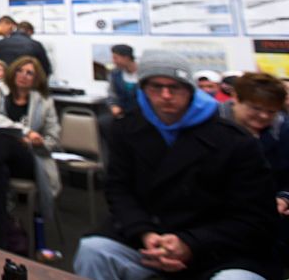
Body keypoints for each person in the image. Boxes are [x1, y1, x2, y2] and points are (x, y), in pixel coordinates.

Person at [74, 51, 279, 280]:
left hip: (217, 247)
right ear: (143, 90)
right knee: (94, 251)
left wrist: (191, 243)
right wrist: (144, 232)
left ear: (190, 90)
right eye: (156, 87)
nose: (166, 95)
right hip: (151, 237)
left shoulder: (234, 141)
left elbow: (255, 216)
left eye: (175, 87)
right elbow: (119, 189)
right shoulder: (126, 130)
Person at [0, 57, 61, 251]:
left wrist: (37, 141)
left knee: (3, 144)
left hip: (30, 158)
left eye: (29, 73)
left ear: (36, 78)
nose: (23, 76)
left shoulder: (44, 102)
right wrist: (23, 131)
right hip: (0, 159)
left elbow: (54, 139)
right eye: (19, 71)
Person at [218, 72, 289, 264]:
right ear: (235, 98)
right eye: (255, 108)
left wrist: (284, 197)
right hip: (216, 217)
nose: (264, 116)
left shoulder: (282, 130)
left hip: (271, 220)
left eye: (272, 111)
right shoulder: (209, 127)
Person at [106, 44, 138, 118]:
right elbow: (112, 94)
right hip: (123, 113)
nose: (113, 61)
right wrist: (113, 106)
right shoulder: (114, 74)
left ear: (126, 58)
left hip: (143, 114)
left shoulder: (143, 73)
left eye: (115, 58)